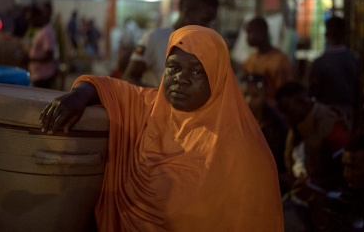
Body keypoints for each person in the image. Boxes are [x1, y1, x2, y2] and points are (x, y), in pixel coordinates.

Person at [40, 25, 284, 231]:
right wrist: (78, 95)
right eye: (173, 68)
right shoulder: (151, 107)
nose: (181, 78)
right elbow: (109, 87)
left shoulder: (246, 155)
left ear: (218, 78)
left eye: (197, 71)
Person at [275, 81, 348, 231]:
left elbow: (345, 172)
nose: (284, 116)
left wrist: (309, 184)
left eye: (287, 110)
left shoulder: (329, 124)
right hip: (299, 198)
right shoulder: (297, 126)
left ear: (301, 102)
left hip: (321, 203)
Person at [122, 0, 219, 87]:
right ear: (188, 13)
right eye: (205, 20)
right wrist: (160, 99)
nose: (208, 27)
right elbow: (129, 78)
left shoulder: (206, 46)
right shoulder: (156, 38)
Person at [308, 16, 361, 133]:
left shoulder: (319, 63)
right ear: (345, 35)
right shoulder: (353, 60)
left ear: (326, 35)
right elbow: (359, 93)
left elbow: (312, 91)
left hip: (325, 116)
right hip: (348, 114)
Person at [240, 73, 288, 182]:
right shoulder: (232, 117)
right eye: (245, 94)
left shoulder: (275, 124)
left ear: (265, 96)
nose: (249, 101)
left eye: (255, 96)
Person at [243, 16, 294, 105]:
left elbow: (285, 95)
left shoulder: (280, 61)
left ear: (262, 32)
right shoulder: (251, 59)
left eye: (250, 32)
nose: (247, 38)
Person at [26, 4, 58, 89]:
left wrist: (30, 59)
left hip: (43, 76)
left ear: (37, 17)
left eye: (31, 19)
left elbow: (49, 55)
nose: (30, 22)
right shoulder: (41, 31)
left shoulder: (47, 32)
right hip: (37, 75)